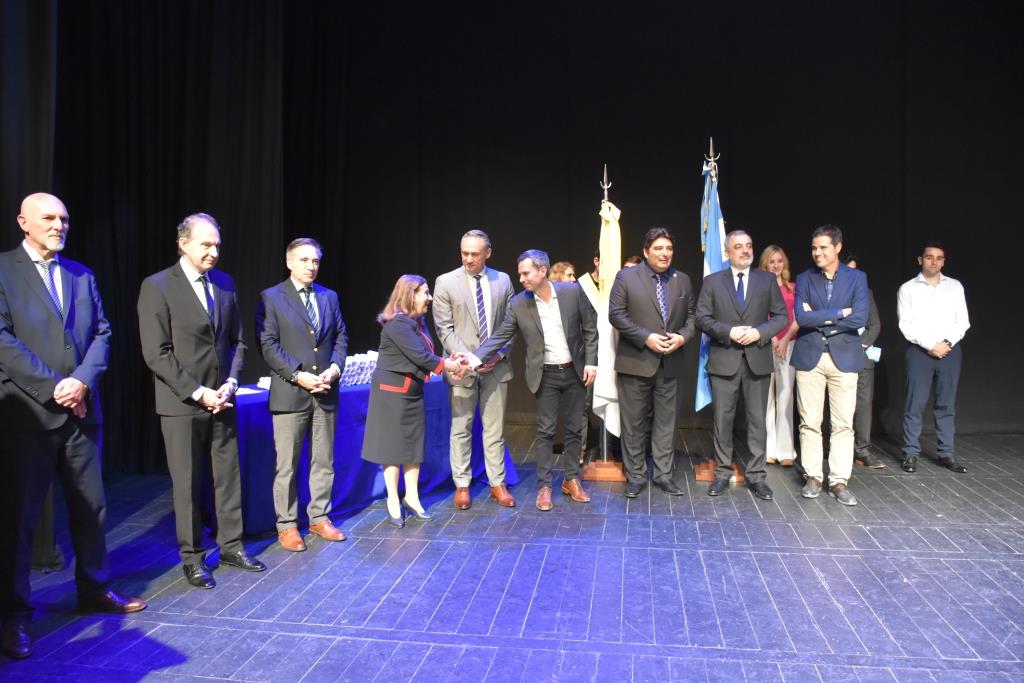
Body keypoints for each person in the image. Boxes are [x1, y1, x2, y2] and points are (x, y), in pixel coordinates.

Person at [0, 193, 145, 660]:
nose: (59, 225)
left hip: (82, 412)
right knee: (20, 519)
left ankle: (94, 590)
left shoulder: (82, 274)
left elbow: (102, 332)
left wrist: (80, 382)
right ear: (23, 222)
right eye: (49, 217)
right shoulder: (3, 269)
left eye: (64, 217)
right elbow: (1, 339)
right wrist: (54, 386)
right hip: (28, 413)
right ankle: (15, 616)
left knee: (92, 509)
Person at [138, 212, 266, 590]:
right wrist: (198, 392)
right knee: (188, 483)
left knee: (228, 477)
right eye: (206, 244)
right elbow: (156, 352)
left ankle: (231, 546)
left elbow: (237, 342)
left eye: (217, 245)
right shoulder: (158, 286)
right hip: (183, 403)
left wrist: (228, 382)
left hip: (222, 399)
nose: (214, 252)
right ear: (183, 243)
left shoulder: (224, 283)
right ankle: (193, 557)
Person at [470, 250, 598, 510]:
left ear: (542, 271)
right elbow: (502, 335)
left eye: (525, 273)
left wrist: (592, 362)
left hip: (574, 371)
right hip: (545, 374)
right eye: (520, 273)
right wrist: (474, 359)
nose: (521, 278)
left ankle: (571, 479)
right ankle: (544, 486)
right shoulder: (519, 303)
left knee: (574, 429)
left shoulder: (571, 293)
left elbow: (590, 327)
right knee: (546, 431)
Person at [255, 238, 349, 552]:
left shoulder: (329, 296)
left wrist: (334, 369)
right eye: (305, 260)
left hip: (325, 390)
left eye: (315, 261)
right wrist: (298, 375)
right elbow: (268, 344)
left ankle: (320, 517)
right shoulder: (272, 297)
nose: (311, 267)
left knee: (323, 460)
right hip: (291, 392)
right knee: (288, 464)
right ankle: (287, 525)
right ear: (289, 261)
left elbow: (340, 337)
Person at [362, 275, 467, 527]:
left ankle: (412, 497)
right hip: (392, 394)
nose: (429, 298)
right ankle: (393, 500)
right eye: (425, 292)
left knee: (413, 447)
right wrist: (450, 366)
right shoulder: (398, 324)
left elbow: (428, 353)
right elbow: (420, 356)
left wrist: (451, 358)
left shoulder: (417, 323)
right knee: (393, 448)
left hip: (412, 393)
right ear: (410, 294)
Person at [696, 230, 788, 500]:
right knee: (722, 421)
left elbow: (781, 316)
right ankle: (723, 473)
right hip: (724, 359)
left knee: (757, 421)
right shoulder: (713, 282)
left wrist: (760, 332)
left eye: (749, 246)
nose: (745, 251)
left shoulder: (767, 280)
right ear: (727, 252)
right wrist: (729, 332)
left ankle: (757, 476)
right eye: (738, 247)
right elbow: (702, 318)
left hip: (757, 359)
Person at [608, 227, 696, 498]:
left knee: (666, 424)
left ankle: (663, 475)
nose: (665, 253)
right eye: (658, 248)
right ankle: (634, 476)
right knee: (633, 424)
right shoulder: (626, 277)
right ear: (647, 251)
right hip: (635, 361)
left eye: (668, 248)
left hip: (670, 363)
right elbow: (616, 315)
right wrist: (645, 338)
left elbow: (692, 317)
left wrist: (682, 337)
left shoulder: (682, 280)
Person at [432, 230, 515, 510]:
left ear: (487, 253)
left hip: (496, 366)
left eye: (474, 254)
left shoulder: (502, 280)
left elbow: (510, 325)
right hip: (461, 367)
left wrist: (498, 353)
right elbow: (444, 329)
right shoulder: (445, 282)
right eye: (464, 253)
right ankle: (463, 485)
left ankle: (497, 483)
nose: (468, 259)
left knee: (494, 429)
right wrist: (471, 359)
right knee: (461, 427)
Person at [791, 224, 869, 506]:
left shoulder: (857, 278)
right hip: (810, 355)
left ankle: (838, 480)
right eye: (814, 248)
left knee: (843, 424)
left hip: (844, 357)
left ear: (837, 247)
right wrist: (838, 313)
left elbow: (860, 317)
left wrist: (821, 319)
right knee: (809, 421)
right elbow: (801, 317)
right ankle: (813, 476)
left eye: (823, 247)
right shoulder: (804, 278)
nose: (817, 253)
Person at [897, 242, 970, 473]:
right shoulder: (907, 289)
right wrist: (931, 345)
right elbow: (905, 324)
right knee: (914, 404)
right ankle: (910, 453)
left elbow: (963, 321)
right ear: (920, 260)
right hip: (920, 352)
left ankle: (946, 454)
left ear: (944, 261)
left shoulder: (955, 287)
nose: (934, 261)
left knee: (946, 404)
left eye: (939, 258)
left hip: (950, 351)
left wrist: (946, 344)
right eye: (929, 257)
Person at [841, 254, 885, 469]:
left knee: (863, 403)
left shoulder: (866, 294)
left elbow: (875, 325)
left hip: (862, 354)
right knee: (837, 404)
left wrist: (859, 345)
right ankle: (837, 449)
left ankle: (862, 450)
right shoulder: (833, 294)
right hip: (838, 354)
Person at [759, 245, 799, 467]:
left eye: (779, 261)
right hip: (766, 344)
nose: (775, 265)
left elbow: (798, 317)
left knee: (785, 396)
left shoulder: (793, 288)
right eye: (771, 261)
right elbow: (759, 315)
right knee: (767, 400)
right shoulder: (760, 287)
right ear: (765, 264)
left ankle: (785, 450)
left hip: (789, 345)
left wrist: (784, 340)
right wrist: (773, 338)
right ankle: (768, 448)